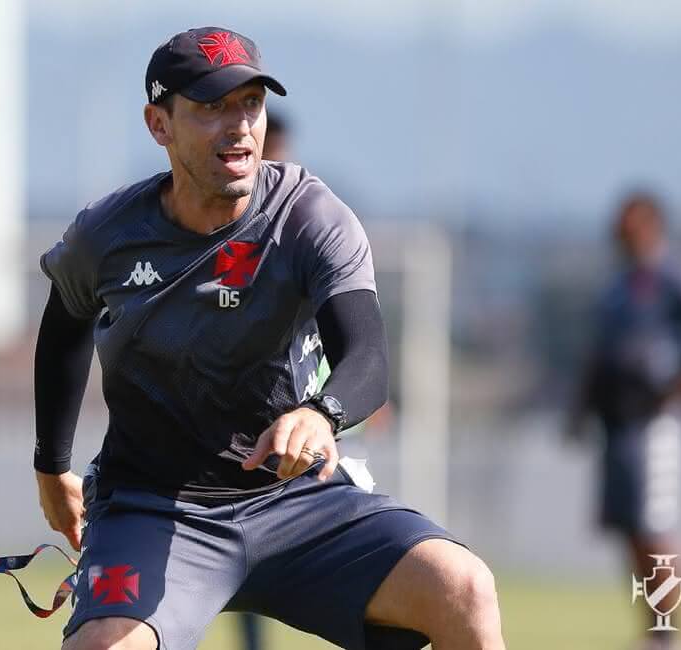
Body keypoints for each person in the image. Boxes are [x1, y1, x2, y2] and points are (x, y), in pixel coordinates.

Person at [34, 26, 505, 650]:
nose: (238, 126)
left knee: (465, 590)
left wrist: (322, 413)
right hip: (155, 507)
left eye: (250, 104)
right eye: (210, 108)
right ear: (159, 124)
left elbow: (366, 355)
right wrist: (52, 466)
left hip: (299, 504)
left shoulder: (308, 216)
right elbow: (65, 322)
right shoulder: (108, 234)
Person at [568, 191, 681, 650]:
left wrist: (680, 388)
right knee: (632, 528)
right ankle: (653, 628)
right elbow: (598, 354)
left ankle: (669, 633)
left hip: (652, 417)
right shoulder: (618, 285)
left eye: (628, 225)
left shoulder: (676, 272)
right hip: (615, 420)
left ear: (650, 225)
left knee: (656, 525)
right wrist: (580, 409)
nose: (620, 234)